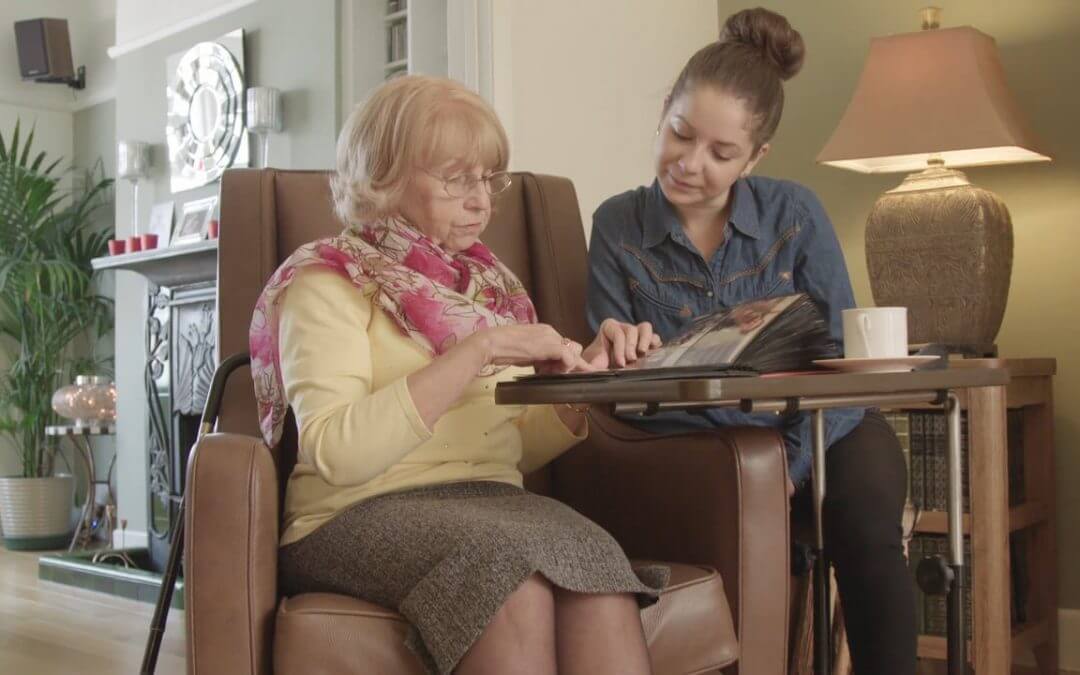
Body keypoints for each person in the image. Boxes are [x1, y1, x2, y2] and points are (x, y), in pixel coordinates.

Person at [248, 75, 666, 675]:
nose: (482, 201)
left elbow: (512, 447)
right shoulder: (327, 282)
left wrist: (584, 387)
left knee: (594, 568)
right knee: (511, 578)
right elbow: (336, 452)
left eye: (488, 178)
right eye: (456, 179)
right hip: (352, 513)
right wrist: (476, 350)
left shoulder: (489, 288)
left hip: (492, 504)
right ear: (382, 177)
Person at [585, 9, 915, 675]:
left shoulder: (795, 214)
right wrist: (617, 348)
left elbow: (844, 365)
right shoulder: (617, 224)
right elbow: (611, 392)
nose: (689, 163)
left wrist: (787, 468)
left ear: (756, 157)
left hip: (825, 428)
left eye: (720, 153)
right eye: (680, 134)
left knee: (866, 518)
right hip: (701, 445)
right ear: (664, 114)